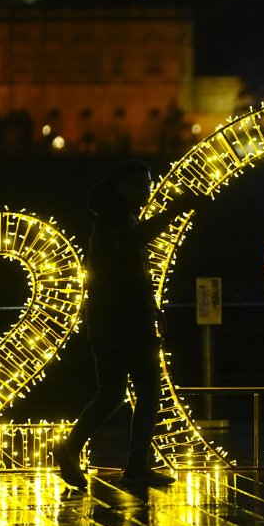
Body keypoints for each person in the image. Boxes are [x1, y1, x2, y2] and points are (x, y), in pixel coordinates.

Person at [55, 161, 198, 490]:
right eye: (140, 185)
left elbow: (132, 270)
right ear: (120, 185)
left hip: (106, 318)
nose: (146, 190)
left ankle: (70, 447)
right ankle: (136, 467)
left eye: (148, 184)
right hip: (127, 321)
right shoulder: (117, 218)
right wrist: (174, 209)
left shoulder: (110, 215)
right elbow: (131, 245)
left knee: (111, 393)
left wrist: (152, 307)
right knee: (148, 393)